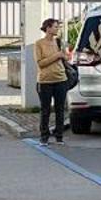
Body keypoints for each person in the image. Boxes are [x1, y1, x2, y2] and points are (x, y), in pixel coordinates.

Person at [34, 16, 71, 145]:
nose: (57, 29)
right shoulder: (39, 44)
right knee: (45, 110)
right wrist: (57, 55)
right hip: (45, 81)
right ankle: (44, 136)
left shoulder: (59, 42)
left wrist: (65, 55)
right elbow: (40, 63)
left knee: (60, 109)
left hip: (61, 79)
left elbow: (67, 58)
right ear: (48, 28)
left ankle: (59, 136)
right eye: (55, 26)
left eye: (58, 27)